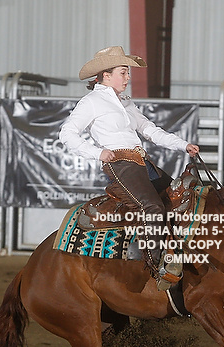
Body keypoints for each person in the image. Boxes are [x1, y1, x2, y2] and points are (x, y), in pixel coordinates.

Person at [59, 46, 199, 291]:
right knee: (152, 206)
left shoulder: (125, 102)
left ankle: (177, 251)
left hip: (142, 162)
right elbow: (67, 133)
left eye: (127, 72)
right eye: (123, 72)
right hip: (121, 164)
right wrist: (97, 153)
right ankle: (156, 266)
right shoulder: (91, 102)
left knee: (179, 197)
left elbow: (149, 130)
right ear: (106, 75)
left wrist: (182, 145)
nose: (127, 77)